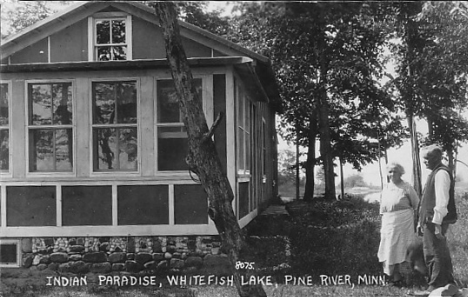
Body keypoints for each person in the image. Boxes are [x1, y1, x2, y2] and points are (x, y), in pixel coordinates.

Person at [416, 145, 458, 295]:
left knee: (433, 253)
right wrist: (420, 221)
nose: (425, 161)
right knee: (439, 251)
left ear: (437, 158)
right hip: (430, 219)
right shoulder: (435, 173)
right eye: (424, 158)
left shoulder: (441, 174)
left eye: (428, 158)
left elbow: (442, 201)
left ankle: (434, 287)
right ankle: (449, 284)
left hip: (435, 220)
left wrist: (437, 223)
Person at [378, 162, 419, 286]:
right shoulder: (386, 187)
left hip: (403, 222)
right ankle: (391, 276)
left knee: (402, 248)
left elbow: (416, 204)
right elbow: (382, 208)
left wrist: (416, 222)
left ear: (401, 173)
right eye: (390, 171)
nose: (392, 174)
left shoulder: (406, 187)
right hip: (388, 222)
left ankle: (403, 278)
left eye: (395, 171)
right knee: (389, 247)